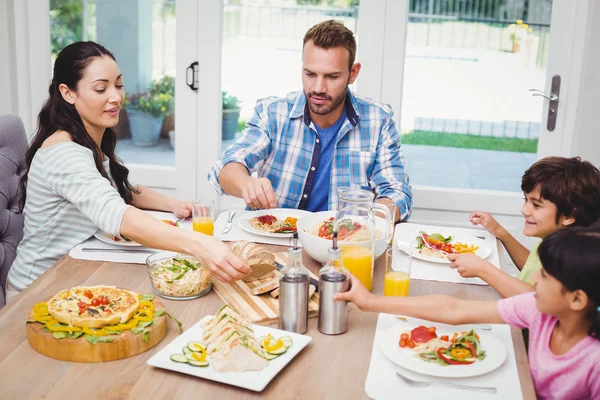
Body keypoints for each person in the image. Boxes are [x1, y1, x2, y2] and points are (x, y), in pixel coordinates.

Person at [6, 42, 250, 301]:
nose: (116, 97)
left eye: (119, 85)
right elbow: (117, 213)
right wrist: (200, 245)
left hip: (75, 274)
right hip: (36, 290)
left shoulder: (89, 137)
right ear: (68, 93)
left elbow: (120, 192)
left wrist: (175, 204)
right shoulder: (63, 152)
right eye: (101, 88)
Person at [335, 227, 600, 399]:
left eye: (544, 275)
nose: (535, 281)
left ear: (577, 299)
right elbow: (454, 308)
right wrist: (369, 301)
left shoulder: (594, 360)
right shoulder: (538, 309)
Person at [208, 20, 412, 222]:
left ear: (353, 73)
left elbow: (398, 193)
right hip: (273, 243)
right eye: (310, 74)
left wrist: (368, 221)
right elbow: (224, 169)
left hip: (342, 245)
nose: (318, 88)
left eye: (332, 77)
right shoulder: (272, 114)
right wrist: (246, 183)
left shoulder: (379, 121)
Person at [447, 156, 600, 297]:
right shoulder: (555, 239)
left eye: (536, 205)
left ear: (569, 216)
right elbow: (531, 267)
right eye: (525, 200)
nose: (524, 210)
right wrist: (500, 232)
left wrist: (483, 269)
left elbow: (538, 298)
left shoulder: (571, 258)